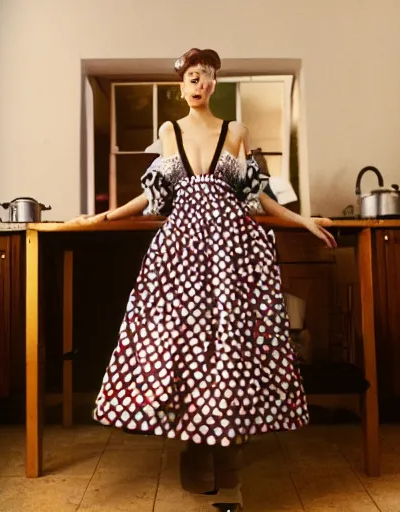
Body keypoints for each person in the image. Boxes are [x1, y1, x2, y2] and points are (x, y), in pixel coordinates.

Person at [68, 48, 336, 499]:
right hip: (182, 253)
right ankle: (194, 446)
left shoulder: (238, 132)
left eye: (206, 77)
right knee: (183, 344)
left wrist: (303, 220)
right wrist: (102, 217)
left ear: (214, 84)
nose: (198, 84)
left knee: (230, 344)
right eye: (191, 76)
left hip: (233, 252)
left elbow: (259, 198)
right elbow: (153, 199)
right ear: (181, 85)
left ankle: (227, 452)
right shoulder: (168, 132)